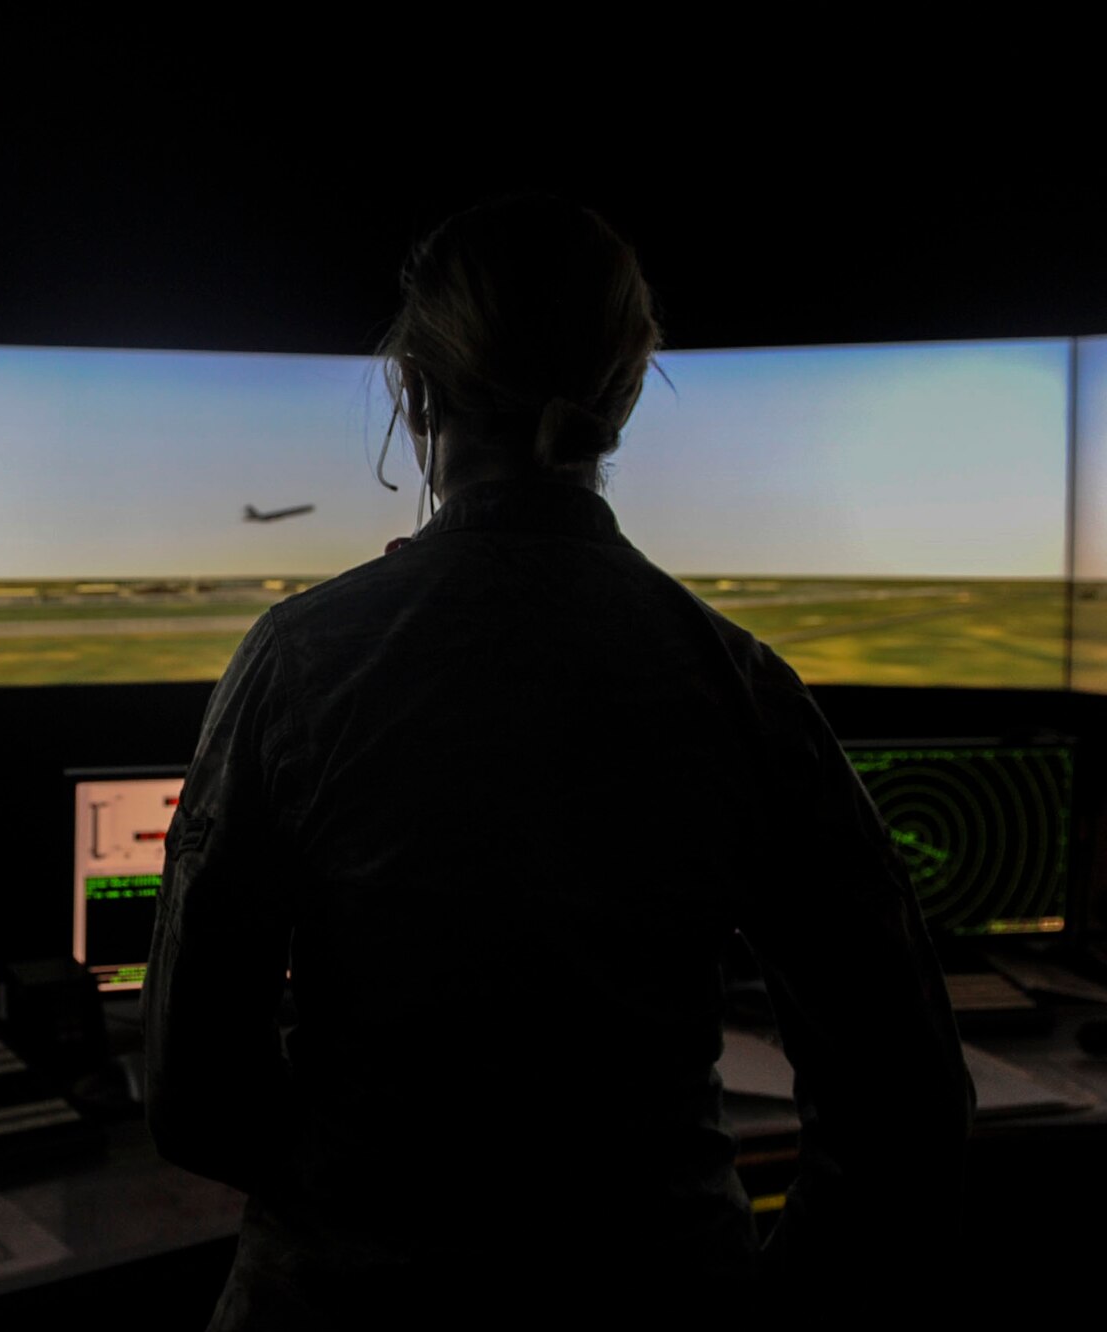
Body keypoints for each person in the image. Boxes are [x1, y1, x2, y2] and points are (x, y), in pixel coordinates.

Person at [143, 195, 974, 1324]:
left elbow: (194, 1101)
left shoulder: (298, 665)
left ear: (416, 392)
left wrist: (363, 1192)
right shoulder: (738, 686)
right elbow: (905, 1106)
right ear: (621, 405)